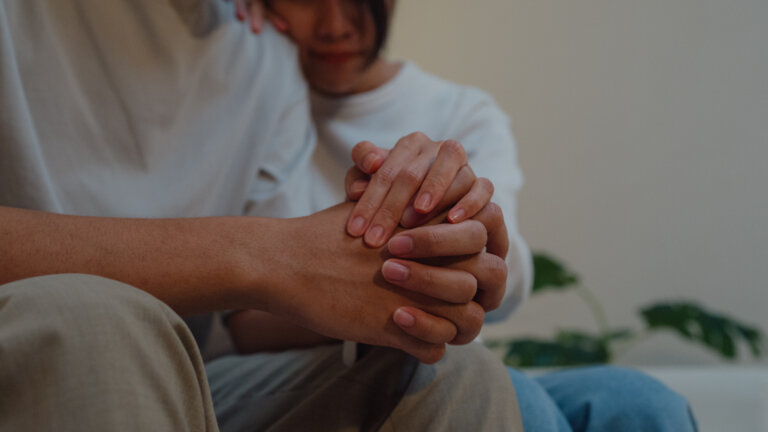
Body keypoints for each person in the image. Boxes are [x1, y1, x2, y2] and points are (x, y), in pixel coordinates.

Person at [0, 0, 524, 431]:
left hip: (202, 374)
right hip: (80, 341)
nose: (334, 27)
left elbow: (249, 317)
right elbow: (271, 269)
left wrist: (410, 267)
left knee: (454, 372)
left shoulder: (266, 57)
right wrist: (266, 253)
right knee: (94, 321)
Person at [227, 0, 699, 431]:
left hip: (440, 354)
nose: (334, 27)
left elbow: (501, 275)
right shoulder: (246, 102)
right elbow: (244, 322)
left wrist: (466, 240)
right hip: (321, 365)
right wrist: (371, 286)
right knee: (506, 399)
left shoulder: (460, 113)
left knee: (644, 405)